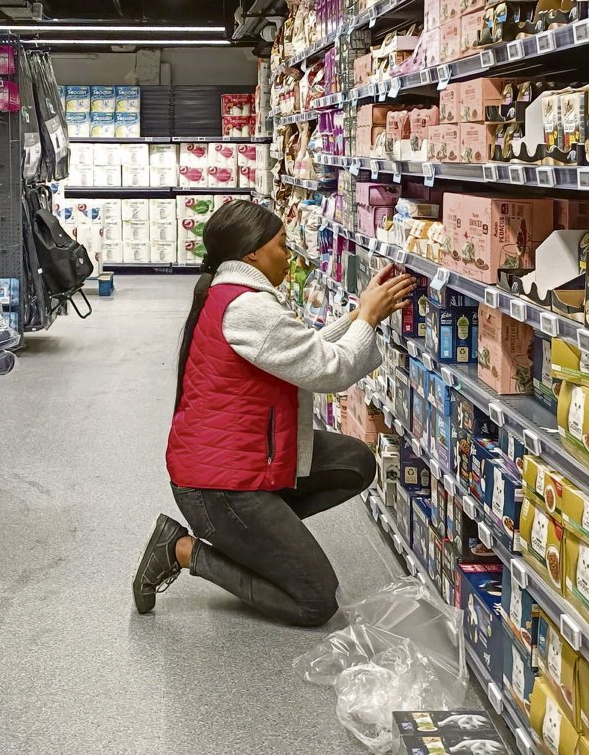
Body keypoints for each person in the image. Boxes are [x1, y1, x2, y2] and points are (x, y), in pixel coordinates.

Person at [132, 200, 416, 626]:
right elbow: (330, 370)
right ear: (252, 253)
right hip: (217, 486)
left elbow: (301, 351)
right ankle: (183, 550)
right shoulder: (249, 307)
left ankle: (254, 539)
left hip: (243, 459)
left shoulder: (230, 292)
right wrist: (369, 318)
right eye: (282, 244)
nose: (290, 254)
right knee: (316, 602)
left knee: (356, 461)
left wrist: (361, 315)